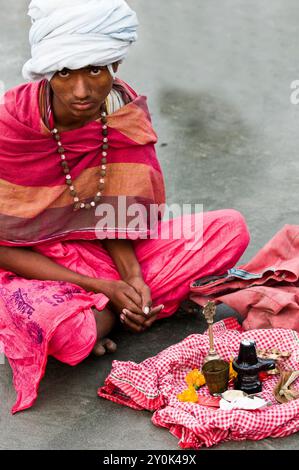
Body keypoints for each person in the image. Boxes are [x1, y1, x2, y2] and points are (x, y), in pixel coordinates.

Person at [0, 0, 250, 413]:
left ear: (115, 63)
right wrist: (107, 289)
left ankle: (115, 312)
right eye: (65, 72)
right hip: (35, 260)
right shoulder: (14, 123)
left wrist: (133, 279)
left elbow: (120, 214)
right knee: (63, 333)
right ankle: (115, 312)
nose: (81, 91)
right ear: (47, 71)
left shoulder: (121, 110)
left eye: (95, 70)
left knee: (229, 228)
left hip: (108, 251)